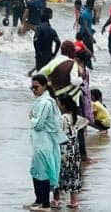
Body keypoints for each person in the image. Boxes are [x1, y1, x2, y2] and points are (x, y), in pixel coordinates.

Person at [26, 74, 66, 212]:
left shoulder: (45, 103)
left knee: (42, 172)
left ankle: (45, 204)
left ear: (44, 86)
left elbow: (38, 124)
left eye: (36, 87)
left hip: (44, 141)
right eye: (32, 87)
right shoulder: (41, 100)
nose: (33, 90)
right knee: (36, 171)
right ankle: (39, 201)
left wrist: (32, 118)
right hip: (40, 141)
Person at [53, 95, 87, 209]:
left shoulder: (62, 118)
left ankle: (56, 199)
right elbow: (84, 122)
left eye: (58, 103)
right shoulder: (75, 117)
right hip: (74, 148)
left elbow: (56, 132)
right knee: (74, 174)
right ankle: (74, 201)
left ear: (63, 105)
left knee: (58, 173)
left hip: (63, 148)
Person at [30, 8, 61, 77]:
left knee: (39, 75)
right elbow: (58, 42)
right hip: (49, 55)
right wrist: (54, 53)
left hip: (40, 55)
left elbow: (35, 40)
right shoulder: (52, 30)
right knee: (48, 75)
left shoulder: (39, 29)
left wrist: (37, 51)